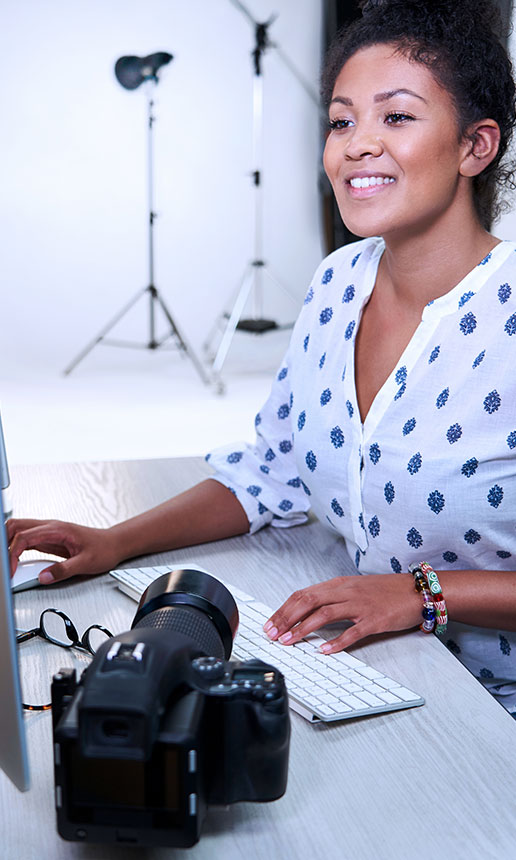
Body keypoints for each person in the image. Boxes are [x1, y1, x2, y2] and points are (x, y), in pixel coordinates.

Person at [8, 0, 516, 714]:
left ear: (475, 146)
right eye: (342, 121)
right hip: (380, 673)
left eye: (396, 117)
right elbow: (268, 472)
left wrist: (421, 594)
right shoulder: (339, 283)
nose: (357, 145)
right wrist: (114, 541)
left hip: (492, 708)